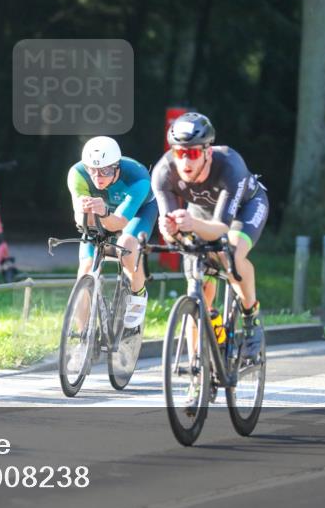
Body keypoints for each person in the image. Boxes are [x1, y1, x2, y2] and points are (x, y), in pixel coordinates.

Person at [151, 112, 269, 361]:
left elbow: (221, 228)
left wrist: (191, 223)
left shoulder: (230, 166)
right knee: (197, 281)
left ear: (208, 152)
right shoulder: (163, 173)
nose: (185, 161)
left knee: (231, 257)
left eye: (192, 153)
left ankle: (250, 317)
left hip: (243, 210)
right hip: (201, 212)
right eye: (178, 153)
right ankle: (197, 365)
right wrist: (170, 231)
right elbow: (175, 236)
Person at [67, 136, 158, 331]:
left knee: (127, 246)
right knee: (86, 269)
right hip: (104, 213)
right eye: (93, 170)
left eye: (105, 171)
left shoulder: (138, 178)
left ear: (117, 167)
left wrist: (103, 212)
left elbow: (118, 223)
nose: (98, 177)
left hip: (138, 212)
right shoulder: (77, 174)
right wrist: (91, 215)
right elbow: (80, 219)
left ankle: (138, 293)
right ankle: (82, 337)